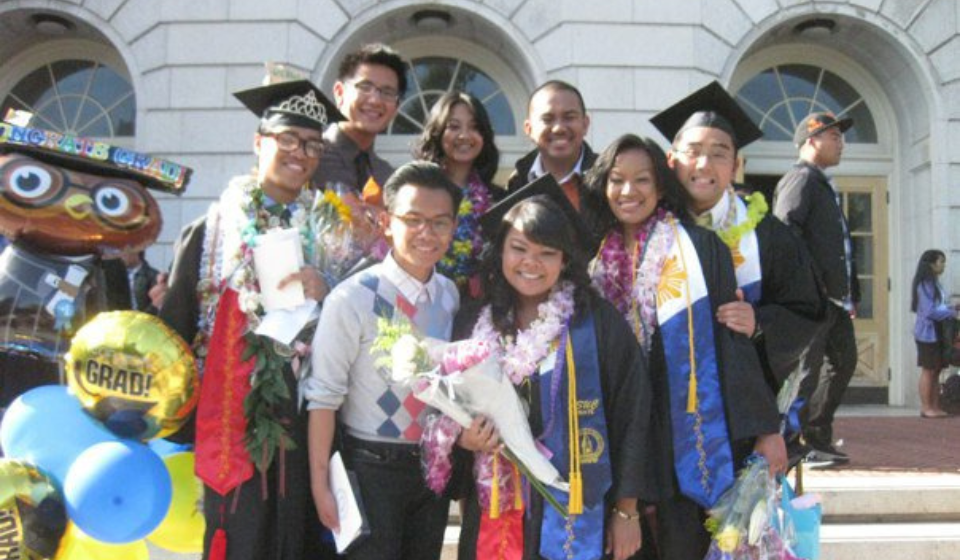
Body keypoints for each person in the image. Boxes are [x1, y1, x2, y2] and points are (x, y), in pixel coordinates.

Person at [159, 79, 342, 560]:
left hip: (303, 422)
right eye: (287, 140)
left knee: (296, 539)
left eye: (312, 145)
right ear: (258, 143)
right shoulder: (211, 232)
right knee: (239, 538)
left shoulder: (327, 237)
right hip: (233, 421)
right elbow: (176, 329)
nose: (300, 153)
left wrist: (327, 290)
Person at [584, 134, 782, 560]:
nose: (628, 191)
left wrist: (767, 428)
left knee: (681, 545)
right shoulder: (589, 257)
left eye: (642, 180)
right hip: (614, 430)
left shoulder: (701, 248)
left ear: (660, 187)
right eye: (617, 180)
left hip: (681, 431)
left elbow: (731, 347)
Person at [449, 178, 652, 560]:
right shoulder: (474, 322)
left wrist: (627, 510)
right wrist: (463, 438)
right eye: (519, 249)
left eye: (547, 253)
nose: (531, 263)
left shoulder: (597, 323)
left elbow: (633, 414)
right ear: (500, 252)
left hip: (576, 503)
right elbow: (449, 411)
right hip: (495, 507)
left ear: (565, 260)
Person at [304, 162, 463, 560]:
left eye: (439, 222)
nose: (427, 233)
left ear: (453, 227)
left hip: (431, 471)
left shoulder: (449, 296)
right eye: (413, 220)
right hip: (370, 469)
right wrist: (320, 483)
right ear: (387, 222)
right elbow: (324, 398)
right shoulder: (352, 297)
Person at [773, 111, 859, 466]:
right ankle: (792, 442)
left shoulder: (821, 183)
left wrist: (849, 292)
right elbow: (785, 234)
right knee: (805, 373)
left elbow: (839, 246)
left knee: (843, 362)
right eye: (834, 136)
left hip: (834, 301)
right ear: (811, 141)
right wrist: (808, 287)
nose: (841, 143)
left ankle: (817, 435)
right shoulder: (800, 180)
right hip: (811, 300)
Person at [413, 91, 500, 297]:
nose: (464, 135)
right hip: (424, 299)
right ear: (437, 132)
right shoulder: (417, 193)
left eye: (474, 127)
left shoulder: (498, 199)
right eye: (453, 126)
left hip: (480, 308)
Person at [505, 81, 602, 253]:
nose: (558, 128)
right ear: (529, 128)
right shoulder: (516, 184)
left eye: (569, 117)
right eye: (547, 119)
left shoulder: (608, 179)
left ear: (585, 124)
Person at [314, 43, 406, 199]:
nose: (375, 100)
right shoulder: (310, 157)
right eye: (365, 87)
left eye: (387, 92)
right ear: (339, 92)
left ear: (396, 107)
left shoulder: (389, 179)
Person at [911, 249, 957, 418]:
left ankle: (935, 405)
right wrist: (951, 312)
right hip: (927, 333)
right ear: (931, 264)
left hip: (938, 331)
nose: (943, 265)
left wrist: (951, 309)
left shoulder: (935, 283)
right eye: (941, 261)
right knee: (928, 369)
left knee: (937, 369)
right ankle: (926, 406)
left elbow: (939, 307)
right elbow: (929, 311)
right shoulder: (924, 284)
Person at [103, 249, 161, 313]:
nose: (119, 256)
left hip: (141, 318)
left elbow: (156, 303)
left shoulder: (152, 275)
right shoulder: (114, 274)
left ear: (136, 251)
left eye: (123, 252)